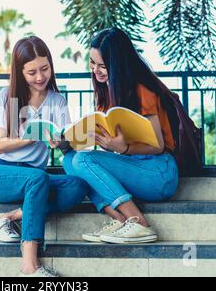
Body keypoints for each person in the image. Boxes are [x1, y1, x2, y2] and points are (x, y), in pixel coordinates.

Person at [0, 36, 89, 277]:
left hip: (32, 179)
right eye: (32, 72)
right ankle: (29, 266)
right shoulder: (9, 96)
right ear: (20, 72)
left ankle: (10, 217)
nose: (40, 77)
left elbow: (67, 145)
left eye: (45, 69)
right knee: (38, 178)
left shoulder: (58, 101)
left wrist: (63, 142)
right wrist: (32, 137)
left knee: (78, 185)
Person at [59, 28, 180, 244]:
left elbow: (158, 146)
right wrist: (71, 142)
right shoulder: (106, 95)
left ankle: (139, 223)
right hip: (131, 166)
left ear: (117, 65)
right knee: (70, 159)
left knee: (85, 159)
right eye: (92, 63)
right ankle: (121, 220)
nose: (96, 70)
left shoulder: (143, 92)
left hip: (159, 171)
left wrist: (123, 148)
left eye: (103, 65)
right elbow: (113, 146)